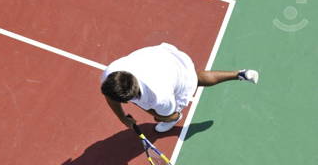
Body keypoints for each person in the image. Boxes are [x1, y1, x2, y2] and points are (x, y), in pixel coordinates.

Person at [100, 43, 259, 132]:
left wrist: (163, 117)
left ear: (131, 98)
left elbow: (170, 113)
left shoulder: (159, 96)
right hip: (156, 58)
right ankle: (242, 74)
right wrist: (122, 118)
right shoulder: (111, 74)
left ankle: (238, 74)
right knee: (196, 77)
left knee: (193, 82)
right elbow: (110, 97)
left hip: (175, 73)